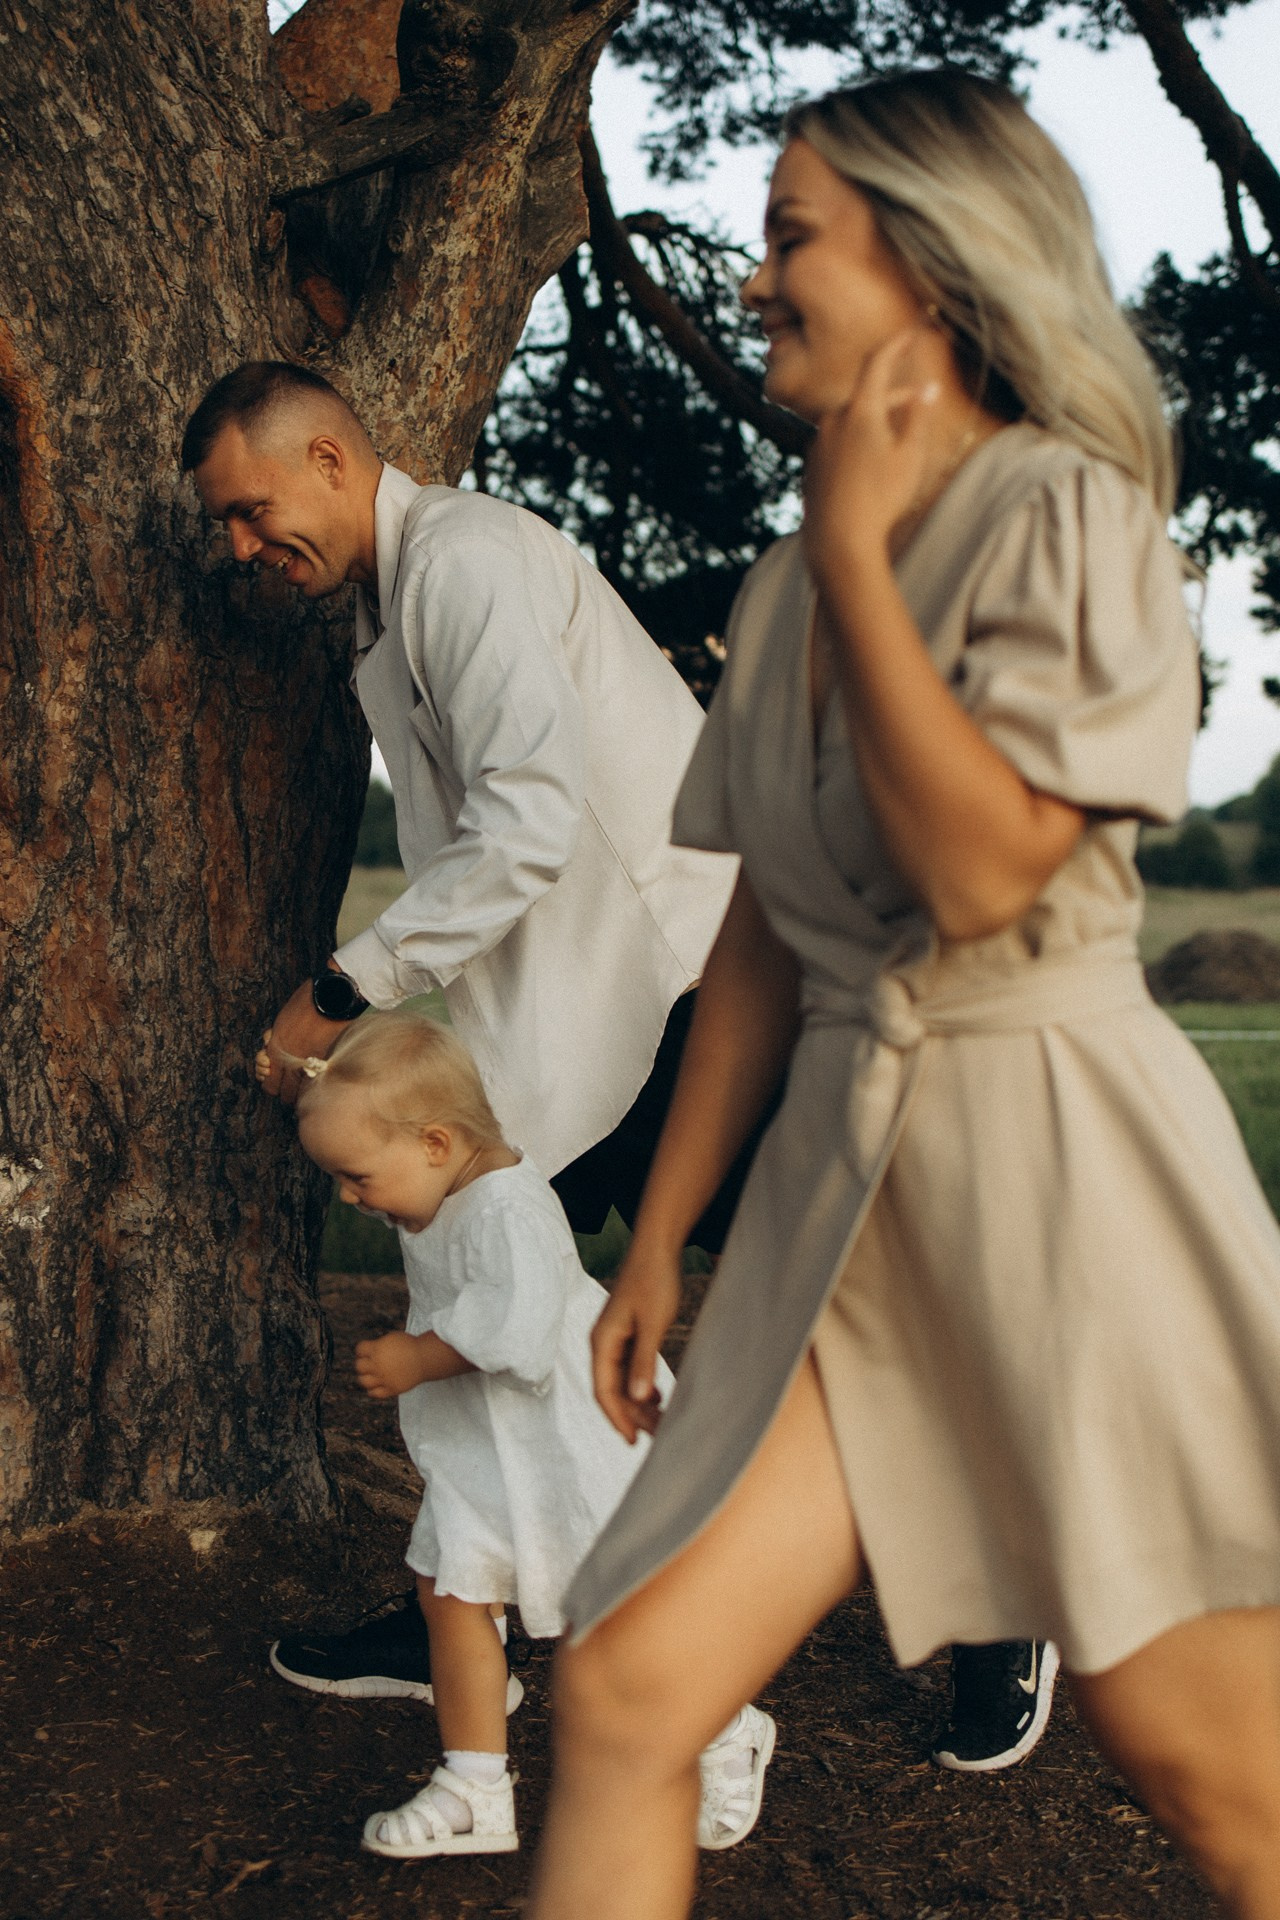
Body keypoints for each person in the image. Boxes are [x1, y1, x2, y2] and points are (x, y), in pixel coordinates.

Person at [527, 69, 1280, 1920]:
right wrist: (660, 1241)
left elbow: (978, 873)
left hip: (1057, 1182)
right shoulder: (780, 589)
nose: (758, 274)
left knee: (1214, 1770)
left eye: (793, 236)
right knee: (623, 1690)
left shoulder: (1066, 518)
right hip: (835, 1225)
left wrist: (861, 551)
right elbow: (768, 945)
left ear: (930, 269)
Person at [182, 360, 1050, 1770]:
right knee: (479, 1289)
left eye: (249, 508)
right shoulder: (396, 611)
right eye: (224, 524)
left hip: (689, 985)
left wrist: (341, 991)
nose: (238, 546)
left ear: (333, 460)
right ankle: (465, 1599)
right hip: (566, 1021)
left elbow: (526, 820)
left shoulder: (466, 565)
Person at [280, 1006, 775, 1856]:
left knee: (619, 1613)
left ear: (435, 1144)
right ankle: (474, 1787)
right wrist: (295, 1077)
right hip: (486, 1450)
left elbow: (519, 1331)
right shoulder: (431, 1182)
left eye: (357, 1178)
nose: (350, 1199)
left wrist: (418, 1358)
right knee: (452, 1594)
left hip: (565, 1450)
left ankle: (726, 1730)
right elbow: (362, 1120)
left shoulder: (506, 1208)